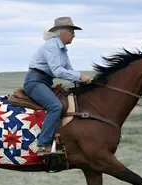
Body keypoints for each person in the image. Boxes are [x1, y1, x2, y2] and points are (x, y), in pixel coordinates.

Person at [25, 16, 92, 155]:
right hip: (35, 81)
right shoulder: (51, 46)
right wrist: (80, 76)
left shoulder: (62, 49)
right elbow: (57, 70)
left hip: (45, 82)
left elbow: (69, 69)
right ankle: (43, 145)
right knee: (55, 106)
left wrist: (84, 81)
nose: (74, 34)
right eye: (71, 31)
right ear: (62, 32)